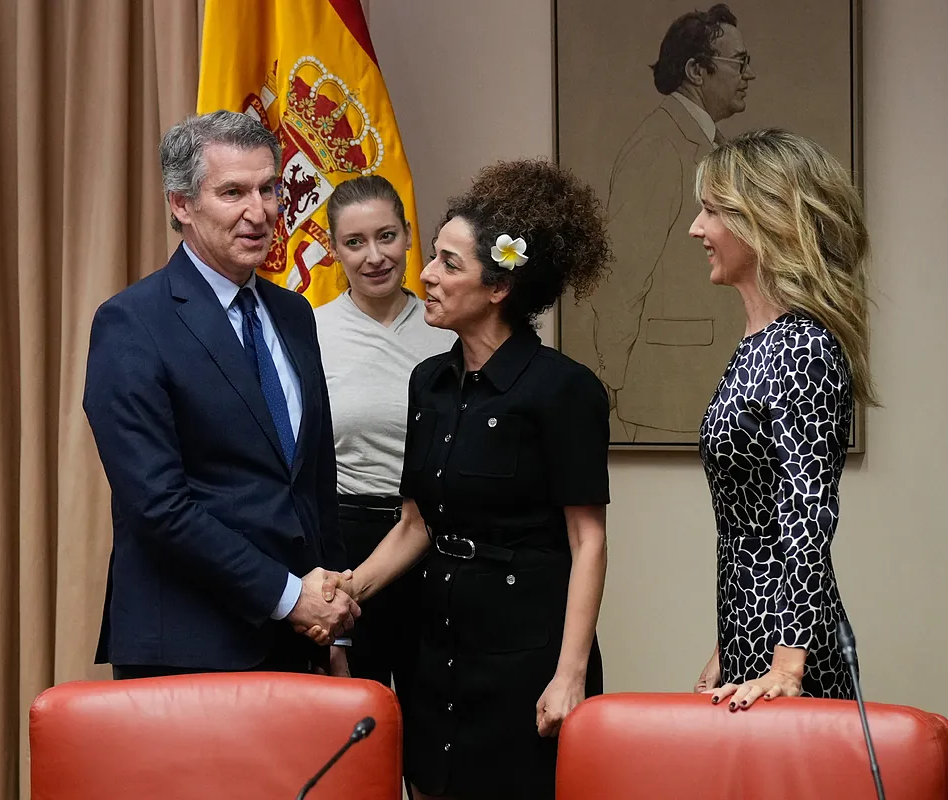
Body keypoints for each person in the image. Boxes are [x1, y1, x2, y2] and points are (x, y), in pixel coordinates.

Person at [318, 158, 613, 799]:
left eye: (449, 263)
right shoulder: (428, 382)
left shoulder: (564, 390)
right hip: (438, 649)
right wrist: (345, 595)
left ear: (499, 286)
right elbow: (416, 523)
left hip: (525, 658)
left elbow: (588, 542)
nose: (423, 272)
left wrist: (570, 675)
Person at [82, 110, 360, 680]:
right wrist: (287, 596)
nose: (258, 213)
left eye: (269, 189)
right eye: (233, 192)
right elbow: (157, 506)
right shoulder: (132, 323)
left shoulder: (293, 313)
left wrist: (335, 621)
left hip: (301, 640)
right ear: (181, 204)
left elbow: (314, 481)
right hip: (187, 646)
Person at [688, 128, 876, 707]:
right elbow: (752, 522)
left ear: (764, 220)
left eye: (712, 210)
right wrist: (726, 646)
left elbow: (806, 512)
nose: (697, 228)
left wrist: (789, 665)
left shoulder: (803, 348)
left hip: (792, 656)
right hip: (752, 640)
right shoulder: (759, 342)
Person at [314, 175, 456, 690]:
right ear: (333, 251)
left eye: (386, 236)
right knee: (354, 721)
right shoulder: (309, 332)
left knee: (433, 731)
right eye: (355, 242)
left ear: (410, 235)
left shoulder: (450, 328)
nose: (374, 256)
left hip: (437, 540)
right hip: (344, 544)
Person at [591, 3, 757, 441]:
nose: (748, 74)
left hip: (699, 385)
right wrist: (612, 378)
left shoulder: (705, 142)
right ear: (696, 71)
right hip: (666, 394)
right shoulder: (659, 146)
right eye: (738, 62)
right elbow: (622, 275)